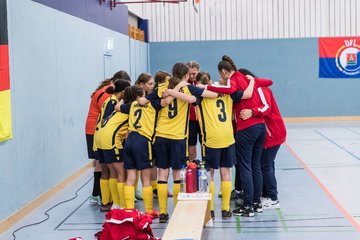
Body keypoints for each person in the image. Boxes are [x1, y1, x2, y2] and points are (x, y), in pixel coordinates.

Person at [201, 55, 272, 217]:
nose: (221, 78)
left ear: (225, 71)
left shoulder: (233, 80)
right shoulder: (245, 79)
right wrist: (253, 81)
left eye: (221, 75)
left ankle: (247, 206)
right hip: (260, 126)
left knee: (245, 166)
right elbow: (269, 82)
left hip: (247, 128)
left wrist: (209, 87)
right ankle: (256, 202)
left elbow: (231, 90)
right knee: (255, 166)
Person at [155, 63, 222, 223]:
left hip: (161, 135)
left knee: (163, 173)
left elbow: (161, 99)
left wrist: (173, 91)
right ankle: (177, 209)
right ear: (186, 76)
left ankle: (163, 212)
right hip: (177, 137)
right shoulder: (188, 88)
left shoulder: (162, 86)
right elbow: (213, 95)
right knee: (177, 173)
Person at [120, 78, 187, 220]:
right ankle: (149, 210)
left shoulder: (132, 105)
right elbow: (167, 101)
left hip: (129, 140)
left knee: (131, 178)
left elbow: (117, 107)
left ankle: (129, 211)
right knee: (146, 179)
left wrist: (124, 97)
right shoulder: (152, 105)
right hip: (143, 141)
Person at [194, 72, 255, 219]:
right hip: (228, 137)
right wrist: (252, 80)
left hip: (212, 138)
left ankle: (211, 210)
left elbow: (192, 90)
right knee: (226, 172)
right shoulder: (228, 94)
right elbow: (246, 94)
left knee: (211, 174)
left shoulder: (201, 96)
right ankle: (226, 209)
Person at [238, 68, 286, 209]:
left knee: (265, 165)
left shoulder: (261, 89)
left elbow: (267, 108)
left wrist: (252, 112)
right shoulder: (253, 89)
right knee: (266, 164)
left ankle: (272, 197)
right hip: (269, 132)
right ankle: (266, 194)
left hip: (272, 132)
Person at [85, 71, 130, 204]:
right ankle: (119, 203)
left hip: (99, 136)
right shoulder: (112, 102)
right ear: (122, 91)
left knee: (106, 170)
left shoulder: (109, 99)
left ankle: (106, 201)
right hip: (106, 138)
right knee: (117, 172)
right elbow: (108, 120)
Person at [94, 85, 140, 210]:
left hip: (100, 137)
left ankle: (109, 202)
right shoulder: (132, 108)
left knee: (110, 171)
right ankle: (121, 204)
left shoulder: (119, 106)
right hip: (111, 140)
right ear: (137, 97)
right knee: (121, 172)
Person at [186, 60, 201, 162]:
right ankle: (191, 165)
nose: (192, 76)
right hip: (190, 120)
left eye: (194, 74)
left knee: (205, 144)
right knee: (191, 145)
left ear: (198, 71)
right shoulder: (184, 85)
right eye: (189, 74)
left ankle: (206, 167)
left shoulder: (203, 83)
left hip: (202, 119)